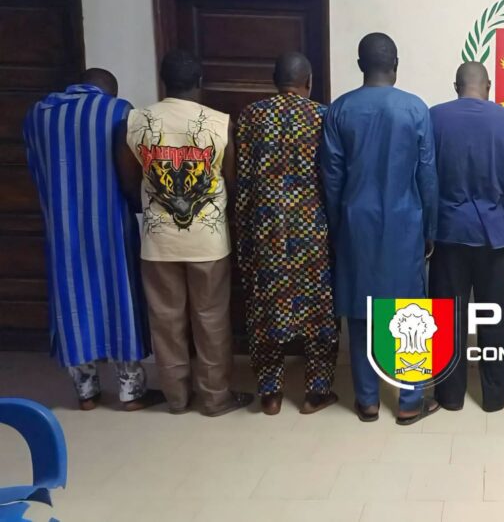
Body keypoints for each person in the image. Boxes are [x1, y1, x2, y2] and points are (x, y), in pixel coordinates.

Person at [116, 50, 253, 416]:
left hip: (158, 241)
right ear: (200, 81)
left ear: (163, 81)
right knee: (212, 319)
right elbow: (232, 181)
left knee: (165, 321)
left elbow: (128, 182)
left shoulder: (135, 121)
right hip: (208, 242)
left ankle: (176, 398)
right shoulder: (220, 123)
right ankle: (215, 398)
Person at [22, 69, 162, 411]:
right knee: (119, 297)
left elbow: (37, 169)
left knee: (71, 301)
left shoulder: (38, 114)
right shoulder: (118, 111)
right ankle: (131, 391)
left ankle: (86, 392)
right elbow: (130, 170)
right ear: (108, 91)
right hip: (110, 223)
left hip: (62, 227)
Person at [320, 33, 440, 425]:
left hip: (356, 222)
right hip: (405, 222)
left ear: (360, 65)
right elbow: (427, 175)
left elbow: (331, 177)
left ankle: (368, 400)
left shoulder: (339, 110)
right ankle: (409, 401)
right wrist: (430, 228)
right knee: (409, 311)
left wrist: (338, 227)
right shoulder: (415, 109)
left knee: (361, 312)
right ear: (396, 64)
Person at [235, 52, 338, 416]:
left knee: (264, 309)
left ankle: (270, 394)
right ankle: (316, 392)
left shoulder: (251, 116)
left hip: (265, 230)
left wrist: (242, 231)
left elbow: (242, 180)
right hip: (313, 230)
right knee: (319, 311)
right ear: (308, 82)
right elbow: (332, 177)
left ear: (274, 80)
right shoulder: (323, 116)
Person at [428, 62, 504, 412]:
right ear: (489, 85)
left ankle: (449, 397)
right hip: (496, 233)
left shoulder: (434, 117)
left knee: (446, 317)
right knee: (495, 318)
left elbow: (426, 170)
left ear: (456, 87)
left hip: (449, 231)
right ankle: (495, 396)